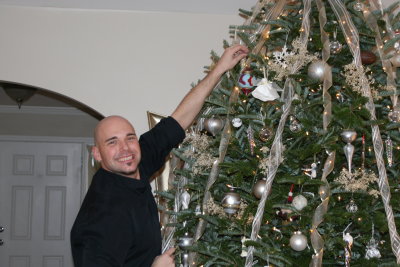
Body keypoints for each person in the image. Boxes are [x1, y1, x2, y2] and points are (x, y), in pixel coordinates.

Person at [70, 44, 249, 267]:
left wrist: (219, 68)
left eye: (130, 138)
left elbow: (179, 119)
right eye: (112, 142)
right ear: (97, 154)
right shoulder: (100, 217)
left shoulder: (137, 163)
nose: (125, 149)